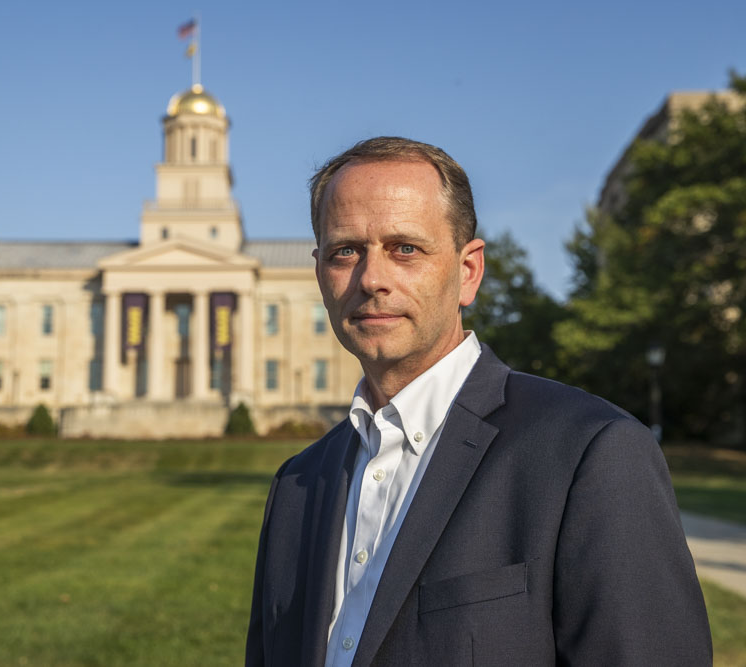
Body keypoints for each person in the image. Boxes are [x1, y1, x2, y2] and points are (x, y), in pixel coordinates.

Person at [244, 137, 711, 666]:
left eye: (405, 249)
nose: (371, 279)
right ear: (320, 273)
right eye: (345, 251)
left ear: (468, 272)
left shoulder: (588, 453)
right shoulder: (298, 485)